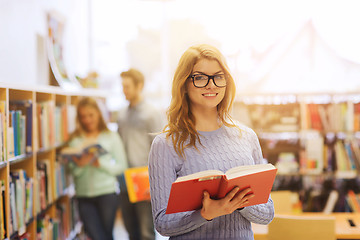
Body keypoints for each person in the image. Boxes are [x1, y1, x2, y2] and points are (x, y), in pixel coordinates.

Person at [148, 44, 274, 239]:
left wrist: (237, 203)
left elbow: (267, 214)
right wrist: (205, 214)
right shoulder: (165, 144)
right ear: (184, 84)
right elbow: (162, 223)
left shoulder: (247, 137)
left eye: (218, 76)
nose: (211, 84)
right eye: (199, 77)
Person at [65, 97, 128, 240]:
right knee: (95, 236)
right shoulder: (75, 139)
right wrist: (81, 166)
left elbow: (121, 166)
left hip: (107, 194)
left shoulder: (111, 136)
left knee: (106, 235)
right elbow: (71, 170)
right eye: (83, 116)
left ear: (99, 114)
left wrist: (100, 164)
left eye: (91, 115)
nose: (87, 120)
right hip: (83, 196)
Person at [117, 68, 163, 240]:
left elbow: (160, 149)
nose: (124, 91)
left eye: (127, 86)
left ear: (139, 86)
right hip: (124, 180)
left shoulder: (152, 113)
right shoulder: (121, 115)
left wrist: (155, 182)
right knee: (130, 230)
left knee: (146, 232)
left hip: (144, 180)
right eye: (122, 86)